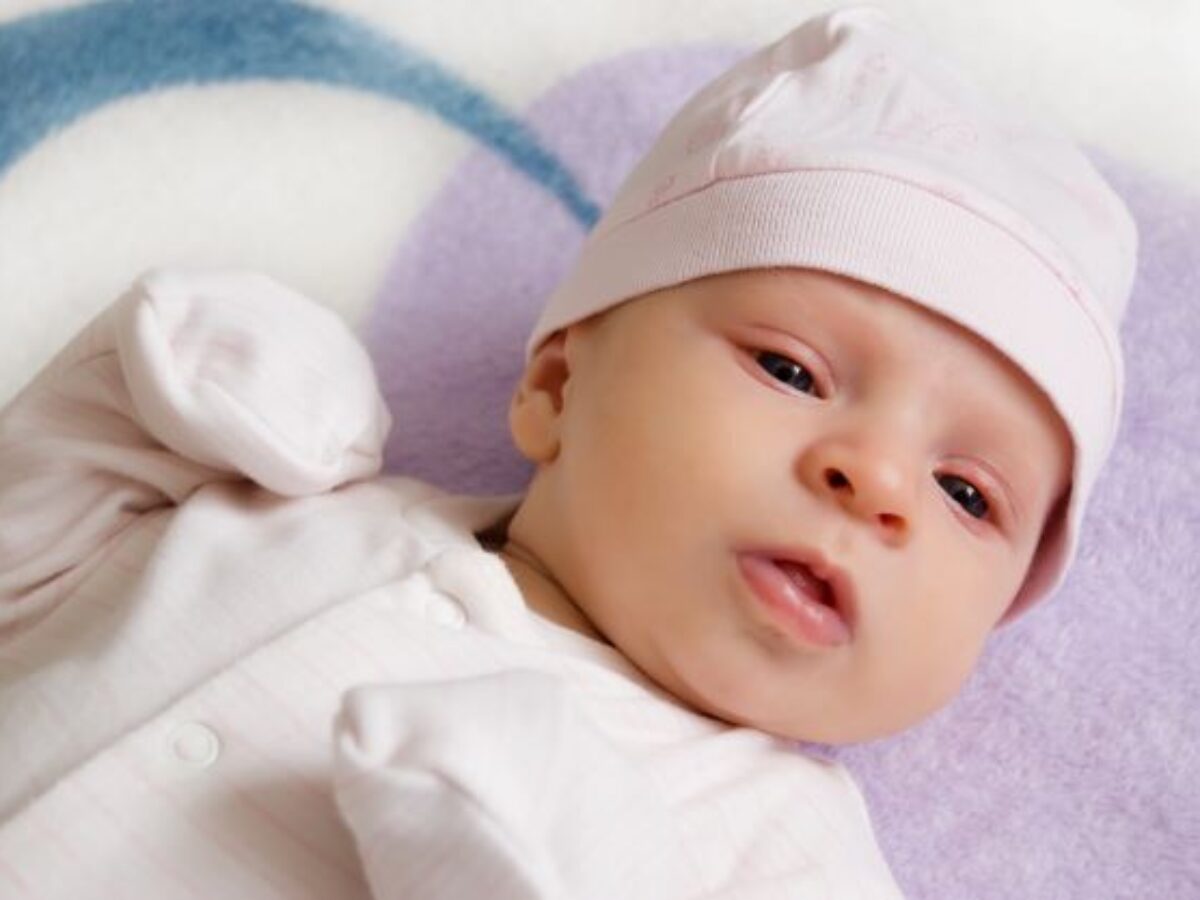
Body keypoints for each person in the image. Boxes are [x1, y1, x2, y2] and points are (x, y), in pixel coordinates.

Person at [0, 6, 1135, 899]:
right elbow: (24, 586)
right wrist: (133, 394)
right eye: (791, 371)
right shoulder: (284, 505)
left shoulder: (782, 850)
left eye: (967, 494)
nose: (877, 480)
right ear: (556, 386)